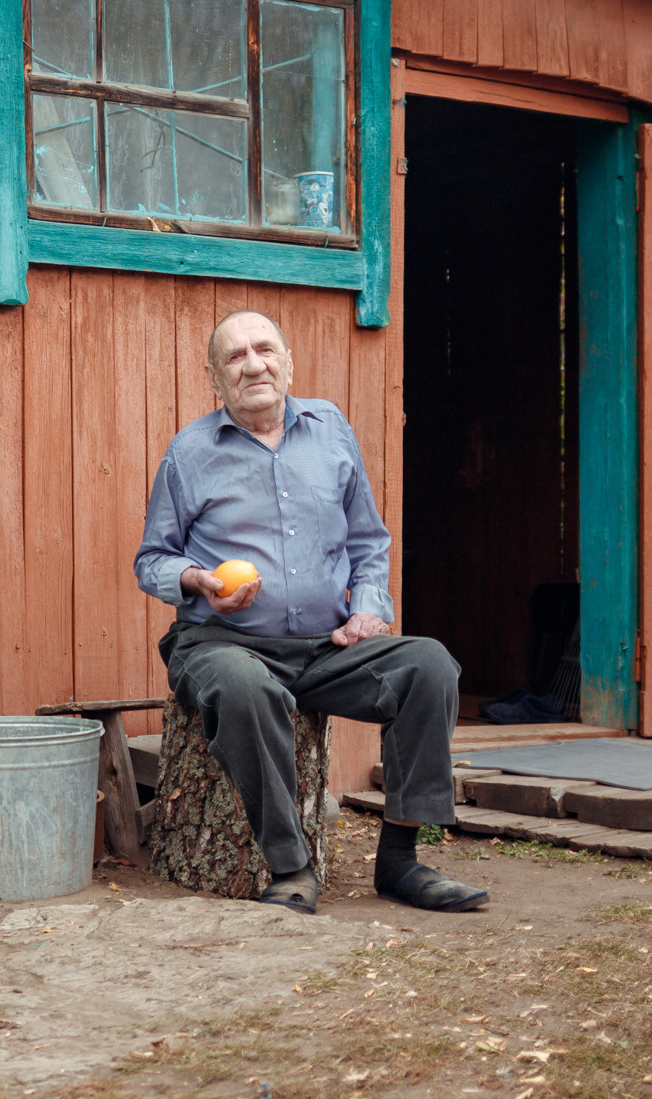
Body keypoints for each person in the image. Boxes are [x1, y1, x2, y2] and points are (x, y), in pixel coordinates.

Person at [136, 310, 487, 915]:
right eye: (235, 356)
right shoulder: (189, 453)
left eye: (264, 349)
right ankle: (292, 867)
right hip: (223, 644)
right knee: (246, 686)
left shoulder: (331, 430)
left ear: (288, 361)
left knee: (429, 665)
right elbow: (152, 560)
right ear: (214, 377)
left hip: (325, 647)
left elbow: (367, 542)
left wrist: (370, 609)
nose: (253, 365)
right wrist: (198, 580)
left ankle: (401, 860)